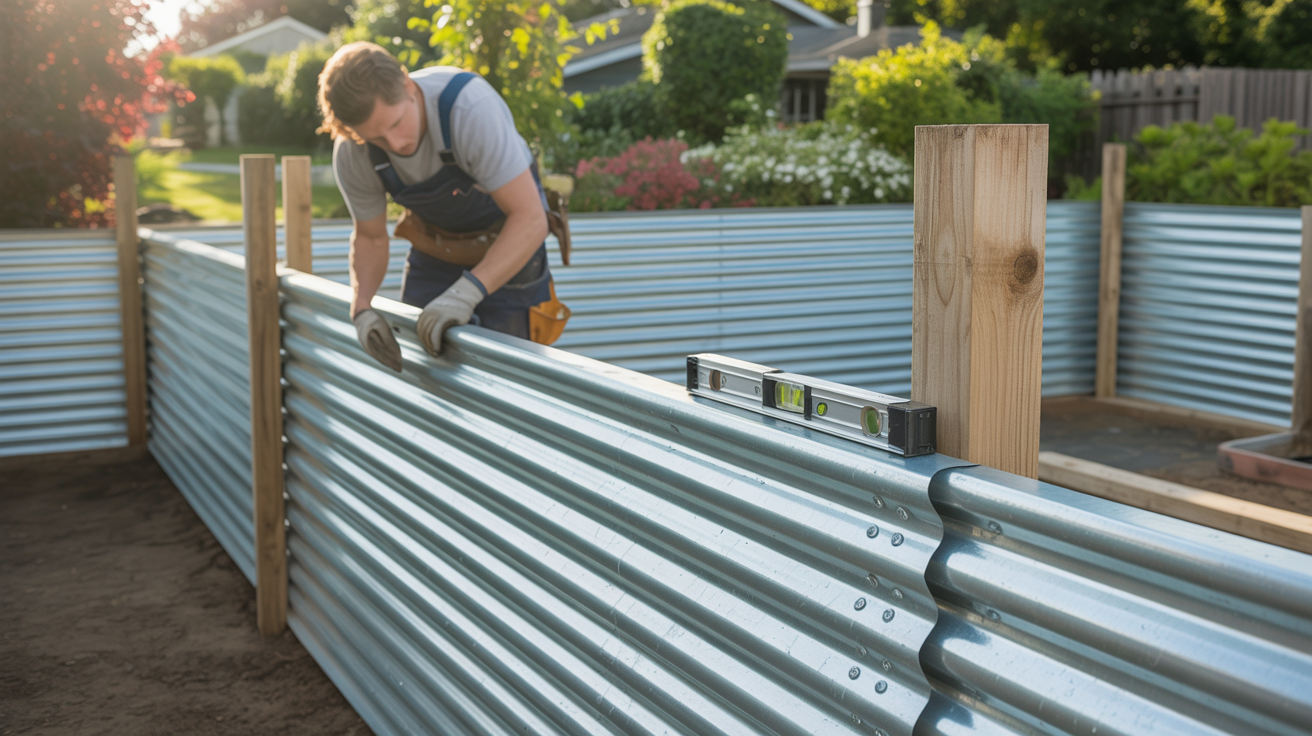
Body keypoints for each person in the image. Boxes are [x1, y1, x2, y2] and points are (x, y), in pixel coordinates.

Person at [316, 42, 568, 373]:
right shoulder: (354, 150)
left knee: (509, 380)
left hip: (513, 247)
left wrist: (467, 293)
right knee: (427, 375)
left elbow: (531, 219)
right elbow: (371, 238)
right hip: (437, 252)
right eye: (376, 139)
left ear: (408, 87)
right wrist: (361, 309)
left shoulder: (468, 109)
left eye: (396, 124)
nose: (395, 145)